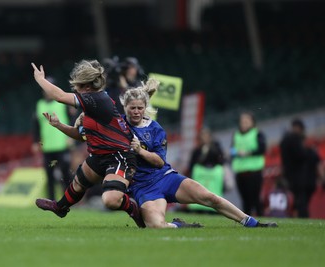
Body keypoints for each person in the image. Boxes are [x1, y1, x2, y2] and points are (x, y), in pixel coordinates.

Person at [46, 78, 278, 228]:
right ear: (124, 109)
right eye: (131, 108)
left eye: (139, 108)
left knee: (209, 197)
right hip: (141, 187)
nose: (136, 112)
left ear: (145, 108)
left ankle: (251, 222)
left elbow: (158, 162)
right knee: (156, 226)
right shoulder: (116, 125)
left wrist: (139, 150)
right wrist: (66, 125)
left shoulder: (155, 129)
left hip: (166, 178)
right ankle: (180, 225)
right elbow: (85, 134)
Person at [31, 60, 145, 228]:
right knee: (77, 184)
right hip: (100, 155)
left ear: (86, 86)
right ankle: (60, 207)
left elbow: (59, 96)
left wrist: (40, 79)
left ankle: (132, 206)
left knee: (110, 200)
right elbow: (81, 136)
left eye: (77, 85)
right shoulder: (93, 105)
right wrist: (59, 125)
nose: (75, 89)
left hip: (119, 156)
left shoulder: (96, 98)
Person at [32, 76, 73, 200]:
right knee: (49, 176)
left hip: (62, 145)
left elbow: (72, 119)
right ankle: (51, 200)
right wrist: (35, 142)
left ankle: (69, 199)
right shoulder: (39, 105)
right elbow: (36, 125)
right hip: (48, 147)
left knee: (66, 174)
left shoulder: (62, 103)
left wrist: (71, 136)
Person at [280, 118, 319, 217]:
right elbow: (302, 155)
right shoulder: (295, 139)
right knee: (301, 200)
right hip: (299, 175)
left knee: (296, 199)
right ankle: (303, 216)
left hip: (289, 174)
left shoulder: (285, 140)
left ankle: (296, 215)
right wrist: (310, 151)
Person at [230, 111, 266, 216]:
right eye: (242, 121)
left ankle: (261, 218)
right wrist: (235, 153)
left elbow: (262, 149)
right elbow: (232, 150)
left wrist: (247, 152)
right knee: (245, 200)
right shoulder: (236, 134)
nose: (244, 123)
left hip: (254, 172)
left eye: (247, 121)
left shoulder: (257, 133)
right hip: (240, 172)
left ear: (252, 122)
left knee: (255, 199)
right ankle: (247, 221)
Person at [186, 127, 225, 213]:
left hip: (213, 178)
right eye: (203, 136)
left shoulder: (216, 148)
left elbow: (220, 160)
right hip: (200, 177)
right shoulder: (197, 150)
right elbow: (192, 164)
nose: (205, 138)